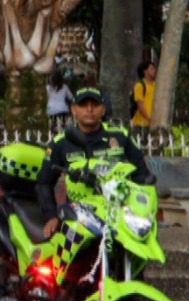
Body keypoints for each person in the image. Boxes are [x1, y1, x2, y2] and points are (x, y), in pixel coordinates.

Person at [37, 86, 152, 240]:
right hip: (78, 216)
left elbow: (142, 175)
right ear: (73, 110)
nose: (89, 109)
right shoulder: (60, 143)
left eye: (95, 105)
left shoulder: (120, 136)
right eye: (83, 105)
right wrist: (51, 216)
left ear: (103, 109)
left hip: (118, 214)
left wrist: (143, 210)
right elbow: (43, 183)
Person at [132, 61, 157, 128]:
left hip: (153, 123)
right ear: (145, 71)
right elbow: (140, 105)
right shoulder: (139, 86)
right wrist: (149, 119)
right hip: (141, 124)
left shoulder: (156, 85)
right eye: (152, 69)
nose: (154, 71)